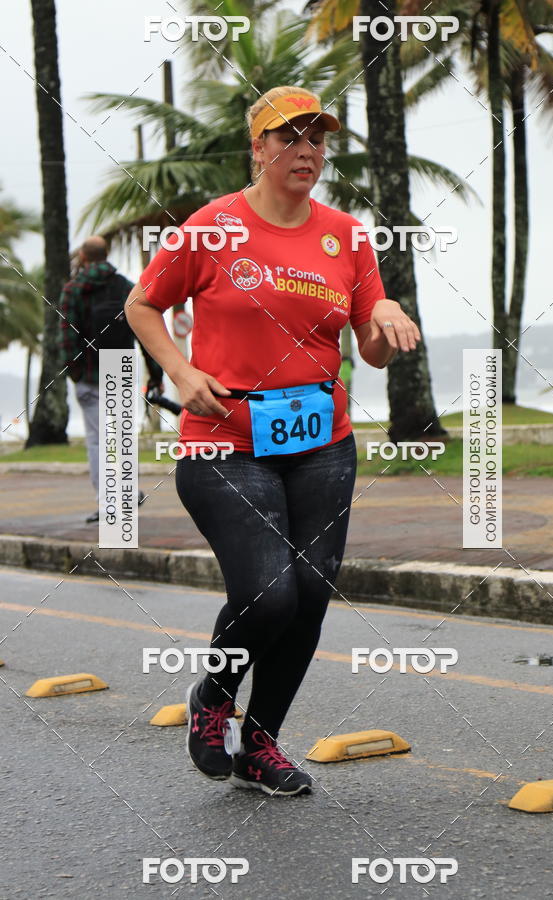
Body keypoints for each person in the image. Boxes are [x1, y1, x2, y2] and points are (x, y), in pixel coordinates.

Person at [125, 85, 421, 797]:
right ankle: (215, 699)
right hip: (224, 441)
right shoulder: (211, 227)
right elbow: (144, 304)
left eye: (317, 140)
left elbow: (371, 353)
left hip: (323, 441)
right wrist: (181, 368)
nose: (307, 152)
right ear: (257, 148)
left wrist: (381, 315)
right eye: (289, 138)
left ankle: (260, 744)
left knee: (312, 595)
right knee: (271, 595)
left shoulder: (346, 236)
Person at [59, 236, 162, 522]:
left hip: (90, 375)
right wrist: (155, 375)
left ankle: (108, 506)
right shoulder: (126, 288)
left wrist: (75, 372)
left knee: (98, 442)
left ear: (83, 256)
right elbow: (146, 334)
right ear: (107, 254)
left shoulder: (73, 290)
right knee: (121, 438)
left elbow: (66, 336)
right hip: (121, 371)